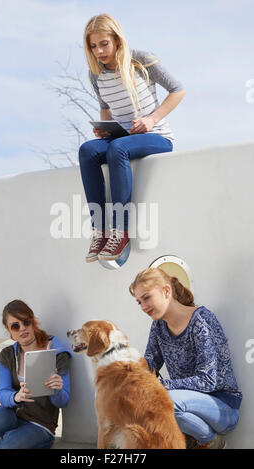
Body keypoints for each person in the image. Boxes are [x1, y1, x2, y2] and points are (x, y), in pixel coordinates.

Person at [79, 14, 185, 262]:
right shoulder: (96, 74)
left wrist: (151, 119)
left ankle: (120, 231)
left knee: (118, 148)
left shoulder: (142, 60)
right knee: (87, 150)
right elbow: (105, 107)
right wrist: (104, 128)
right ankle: (101, 230)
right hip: (122, 138)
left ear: (117, 39)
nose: (99, 51)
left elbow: (178, 90)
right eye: (93, 46)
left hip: (156, 137)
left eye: (104, 43)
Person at [129, 267, 242, 449]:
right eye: (139, 302)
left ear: (166, 291)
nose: (143, 307)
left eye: (147, 298)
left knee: (165, 400)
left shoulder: (201, 321)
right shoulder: (159, 326)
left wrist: (161, 386)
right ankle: (189, 439)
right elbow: (149, 364)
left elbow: (208, 381)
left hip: (222, 407)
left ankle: (212, 441)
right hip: (186, 407)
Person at [0, 300, 71, 449]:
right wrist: (16, 397)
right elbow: (2, 393)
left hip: (40, 425)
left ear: (33, 321)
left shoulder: (57, 353)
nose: (22, 328)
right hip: (11, 413)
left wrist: (57, 389)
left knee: (4, 447)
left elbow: (63, 401)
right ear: (10, 331)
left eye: (26, 322)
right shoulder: (7, 354)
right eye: (15, 326)